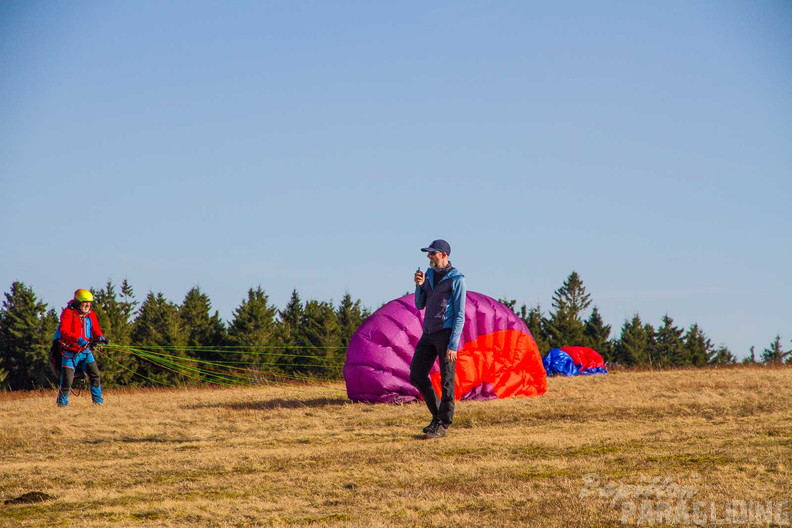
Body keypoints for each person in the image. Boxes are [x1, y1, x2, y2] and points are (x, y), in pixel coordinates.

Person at [411, 239, 466, 439]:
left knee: (447, 381)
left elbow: (460, 314)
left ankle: (443, 424)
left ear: (443, 255)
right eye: (428, 253)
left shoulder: (457, 279)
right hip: (428, 333)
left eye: (432, 253)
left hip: (446, 333)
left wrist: (453, 344)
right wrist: (419, 285)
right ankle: (437, 417)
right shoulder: (430, 276)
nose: (428, 256)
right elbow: (419, 304)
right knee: (416, 375)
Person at [55, 289, 108, 406]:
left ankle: (98, 402)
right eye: (85, 302)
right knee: (67, 380)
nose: (87, 305)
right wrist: (79, 340)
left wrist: (101, 338)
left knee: (95, 375)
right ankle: (62, 404)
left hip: (85, 352)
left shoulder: (91, 314)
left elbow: (96, 330)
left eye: (89, 302)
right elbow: (64, 331)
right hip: (69, 353)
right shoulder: (68, 313)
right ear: (78, 302)